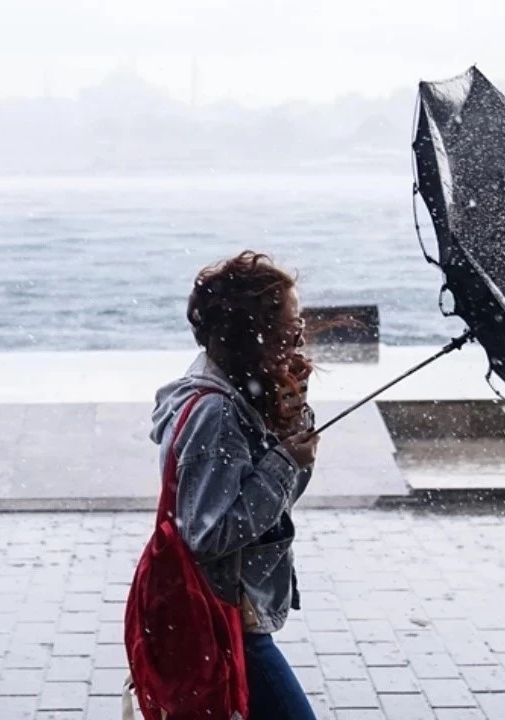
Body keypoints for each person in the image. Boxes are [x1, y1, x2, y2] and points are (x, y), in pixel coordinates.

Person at [149, 251, 320, 720]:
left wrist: (290, 420)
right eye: (290, 328)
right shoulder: (216, 412)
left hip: (228, 612)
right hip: (224, 615)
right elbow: (208, 533)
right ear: (254, 334)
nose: (299, 338)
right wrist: (284, 462)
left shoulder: (237, 391)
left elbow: (278, 503)